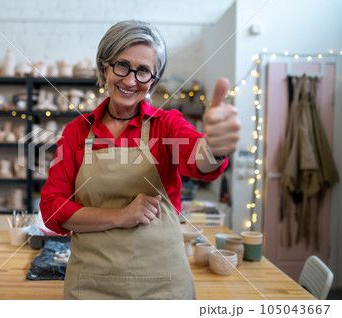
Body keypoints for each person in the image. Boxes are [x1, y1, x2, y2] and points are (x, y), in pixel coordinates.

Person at [40, 20, 240, 299]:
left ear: (154, 81)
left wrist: (215, 149)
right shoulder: (77, 132)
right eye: (122, 65)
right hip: (91, 286)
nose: (131, 80)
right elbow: (52, 208)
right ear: (104, 67)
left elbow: (197, 159)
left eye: (143, 71)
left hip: (162, 287)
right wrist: (120, 216)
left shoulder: (166, 125)